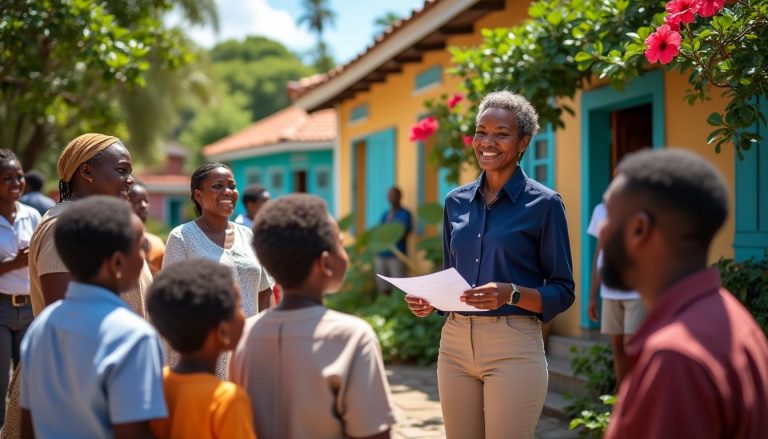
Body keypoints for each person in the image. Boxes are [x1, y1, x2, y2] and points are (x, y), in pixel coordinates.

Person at [404, 91, 575, 439]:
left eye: (501, 133)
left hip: (514, 345)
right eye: (482, 131)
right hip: (453, 344)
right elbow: (452, 275)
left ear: (523, 141)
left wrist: (510, 294)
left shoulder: (545, 205)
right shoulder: (456, 202)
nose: (487, 141)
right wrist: (430, 299)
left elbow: (562, 290)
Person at [601, 149, 768, 438]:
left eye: (608, 216)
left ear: (638, 229)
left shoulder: (675, 358)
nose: (601, 231)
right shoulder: (733, 318)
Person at [1, 133, 152, 439]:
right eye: (122, 170)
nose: (129, 179)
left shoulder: (103, 223)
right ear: (87, 172)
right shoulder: (64, 228)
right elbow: (68, 328)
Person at [231, 194, 395, 439]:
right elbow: (374, 432)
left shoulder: (243, 336)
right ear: (326, 263)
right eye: (340, 243)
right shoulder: (351, 337)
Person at [20, 196, 167, 438]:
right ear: (118, 263)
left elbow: (28, 423)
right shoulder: (134, 336)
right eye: (141, 247)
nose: (145, 256)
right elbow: (134, 432)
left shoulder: (41, 326)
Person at [163, 163, 273, 378]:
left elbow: (265, 290)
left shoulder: (249, 236)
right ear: (198, 195)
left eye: (231, 186)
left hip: (247, 350)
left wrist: (265, 338)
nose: (228, 192)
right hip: (202, 354)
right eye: (217, 186)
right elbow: (170, 301)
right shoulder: (182, 238)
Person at [146, 259, 256, 439]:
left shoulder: (156, 385)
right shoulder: (227, 400)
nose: (243, 314)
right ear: (222, 331)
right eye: (239, 307)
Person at [0, 151, 40, 428]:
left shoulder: (32, 215)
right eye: (7, 178)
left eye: (19, 177)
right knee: (0, 382)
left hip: (29, 307)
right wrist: (15, 262)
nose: (16, 183)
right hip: (1, 309)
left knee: (29, 380)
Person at [587, 200, 645, 386]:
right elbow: (599, 252)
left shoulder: (642, 208)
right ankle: (623, 398)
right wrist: (592, 295)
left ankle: (638, 396)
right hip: (609, 291)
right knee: (617, 347)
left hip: (636, 291)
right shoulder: (600, 210)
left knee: (632, 345)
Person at [373, 187, 412, 295]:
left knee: (399, 284)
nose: (391, 198)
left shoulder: (405, 214)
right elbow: (380, 231)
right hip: (382, 254)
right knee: (383, 284)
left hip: (397, 255)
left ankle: (398, 306)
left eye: (393, 195)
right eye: (389, 195)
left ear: (399, 197)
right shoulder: (386, 214)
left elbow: (405, 231)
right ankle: (386, 306)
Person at [128, 182, 166, 275]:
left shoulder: (157, 245)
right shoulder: (119, 244)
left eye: (146, 201)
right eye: (138, 201)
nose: (144, 205)